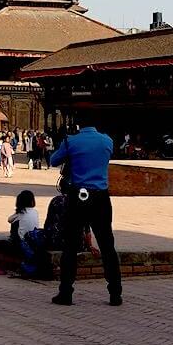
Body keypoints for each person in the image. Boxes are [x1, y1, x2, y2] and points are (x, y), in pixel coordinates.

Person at [49, 124, 121, 307]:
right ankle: (115, 293)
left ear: (78, 125)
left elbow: (53, 160)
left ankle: (66, 292)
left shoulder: (71, 141)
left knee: (71, 246)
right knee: (107, 245)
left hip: (77, 196)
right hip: (101, 197)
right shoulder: (107, 141)